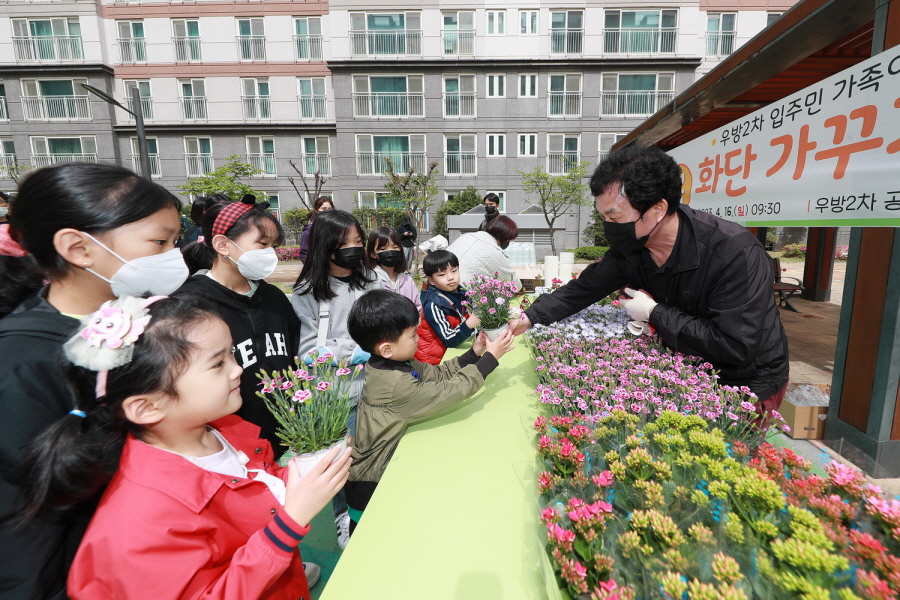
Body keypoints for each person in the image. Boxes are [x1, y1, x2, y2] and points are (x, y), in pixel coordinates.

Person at [15, 294, 350, 599]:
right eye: (218, 363)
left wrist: (302, 477)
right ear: (147, 407)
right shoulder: (142, 520)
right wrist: (289, 522)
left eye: (232, 353)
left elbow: (254, 482)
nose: (238, 369)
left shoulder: (226, 432)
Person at [0, 162, 188, 600]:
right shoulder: (21, 366)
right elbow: (23, 534)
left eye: (175, 241)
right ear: (78, 248)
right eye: (159, 242)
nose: (173, 256)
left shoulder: (149, 322)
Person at [509, 145, 790, 422]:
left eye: (614, 217)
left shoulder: (732, 254)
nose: (608, 226)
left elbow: (735, 345)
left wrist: (654, 312)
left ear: (658, 209)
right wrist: (530, 317)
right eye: (603, 217)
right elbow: (585, 288)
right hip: (687, 371)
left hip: (745, 383)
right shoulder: (632, 247)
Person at [345, 290, 515, 534]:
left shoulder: (391, 364)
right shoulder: (396, 385)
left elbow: (435, 375)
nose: (418, 339)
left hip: (376, 473)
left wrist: (475, 353)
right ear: (386, 348)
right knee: (370, 537)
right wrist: (490, 358)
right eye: (413, 334)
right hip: (371, 484)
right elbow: (450, 391)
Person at [176, 194, 300, 454]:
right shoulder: (192, 305)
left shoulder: (273, 298)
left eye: (273, 246)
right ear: (222, 244)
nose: (270, 254)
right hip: (227, 447)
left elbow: (294, 356)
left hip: (287, 438)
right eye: (262, 243)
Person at [292, 209, 380, 549]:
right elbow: (309, 349)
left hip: (376, 384)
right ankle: (343, 518)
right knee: (341, 459)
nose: (355, 249)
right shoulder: (309, 290)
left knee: (374, 452)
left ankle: (372, 508)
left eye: (359, 241)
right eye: (346, 243)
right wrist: (354, 349)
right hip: (337, 394)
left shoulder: (369, 280)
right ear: (326, 247)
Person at [414, 250, 480, 365]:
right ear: (431, 280)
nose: (450, 277)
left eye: (454, 271)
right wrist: (470, 323)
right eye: (442, 274)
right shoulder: (433, 304)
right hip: (432, 362)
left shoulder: (462, 292)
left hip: (451, 353)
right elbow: (449, 339)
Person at [446, 214, 521, 290]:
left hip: (438, 284)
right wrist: (521, 289)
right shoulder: (495, 252)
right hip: (459, 293)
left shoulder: (465, 236)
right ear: (505, 238)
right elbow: (513, 282)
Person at [366, 226, 422, 312]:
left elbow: (418, 308)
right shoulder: (369, 281)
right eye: (383, 248)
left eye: (395, 247)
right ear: (373, 254)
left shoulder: (408, 280)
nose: (390, 251)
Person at [299, 196, 334, 263]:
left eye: (330, 209)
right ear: (316, 210)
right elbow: (304, 254)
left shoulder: (336, 228)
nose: (327, 212)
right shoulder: (309, 231)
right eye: (324, 209)